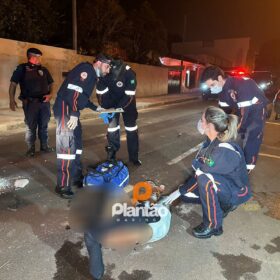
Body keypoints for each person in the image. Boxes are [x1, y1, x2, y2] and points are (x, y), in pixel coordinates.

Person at [163, 106, 252, 239]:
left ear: (209, 125)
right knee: (186, 196)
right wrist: (178, 193)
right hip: (226, 184)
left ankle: (213, 225)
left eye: (202, 120)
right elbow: (199, 173)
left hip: (237, 192)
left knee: (205, 180)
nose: (200, 123)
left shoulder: (223, 151)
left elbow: (202, 173)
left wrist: (180, 190)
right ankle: (222, 206)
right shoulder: (213, 142)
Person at [70, 182, 170, 279]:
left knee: (92, 238)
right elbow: (155, 217)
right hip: (148, 233)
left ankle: (97, 275)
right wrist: (141, 207)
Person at [53, 54, 111, 199]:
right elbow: (73, 91)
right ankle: (62, 185)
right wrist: (73, 113)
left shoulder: (92, 75)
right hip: (65, 109)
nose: (108, 70)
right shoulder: (86, 70)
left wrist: (94, 107)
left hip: (72, 110)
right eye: (107, 66)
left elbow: (82, 97)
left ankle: (76, 176)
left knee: (77, 145)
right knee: (66, 148)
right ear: (98, 63)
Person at [200, 65, 268, 172]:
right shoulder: (222, 92)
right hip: (241, 109)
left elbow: (244, 114)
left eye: (212, 85)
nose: (211, 89)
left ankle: (247, 167)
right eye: (209, 87)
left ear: (219, 78)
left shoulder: (242, 85)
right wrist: (211, 125)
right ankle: (223, 157)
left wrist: (230, 131)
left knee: (251, 134)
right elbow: (222, 113)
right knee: (227, 132)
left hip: (256, 109)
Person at [9, 48, 54, 157]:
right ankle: (31, 148)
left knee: (44, 125)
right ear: (33, 57)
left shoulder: (44, 69)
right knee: (30, 126)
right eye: (39, 57)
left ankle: (44, 146)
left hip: (44, 103)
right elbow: (13, 84)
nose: (40, 59)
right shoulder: (22, 68)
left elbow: (51, 83)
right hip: (30, 103)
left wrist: (50, 94)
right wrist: (11, 99)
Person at [96, 59, 141, 166]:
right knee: (112, 129)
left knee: (131, 130)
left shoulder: (129, 74)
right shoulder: (105, 73)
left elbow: (129, 95)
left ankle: (134, 158)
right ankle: (111, 156)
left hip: (128, 104)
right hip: (112, 104)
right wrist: (106, 108)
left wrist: (118, 108)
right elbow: (101, 93)